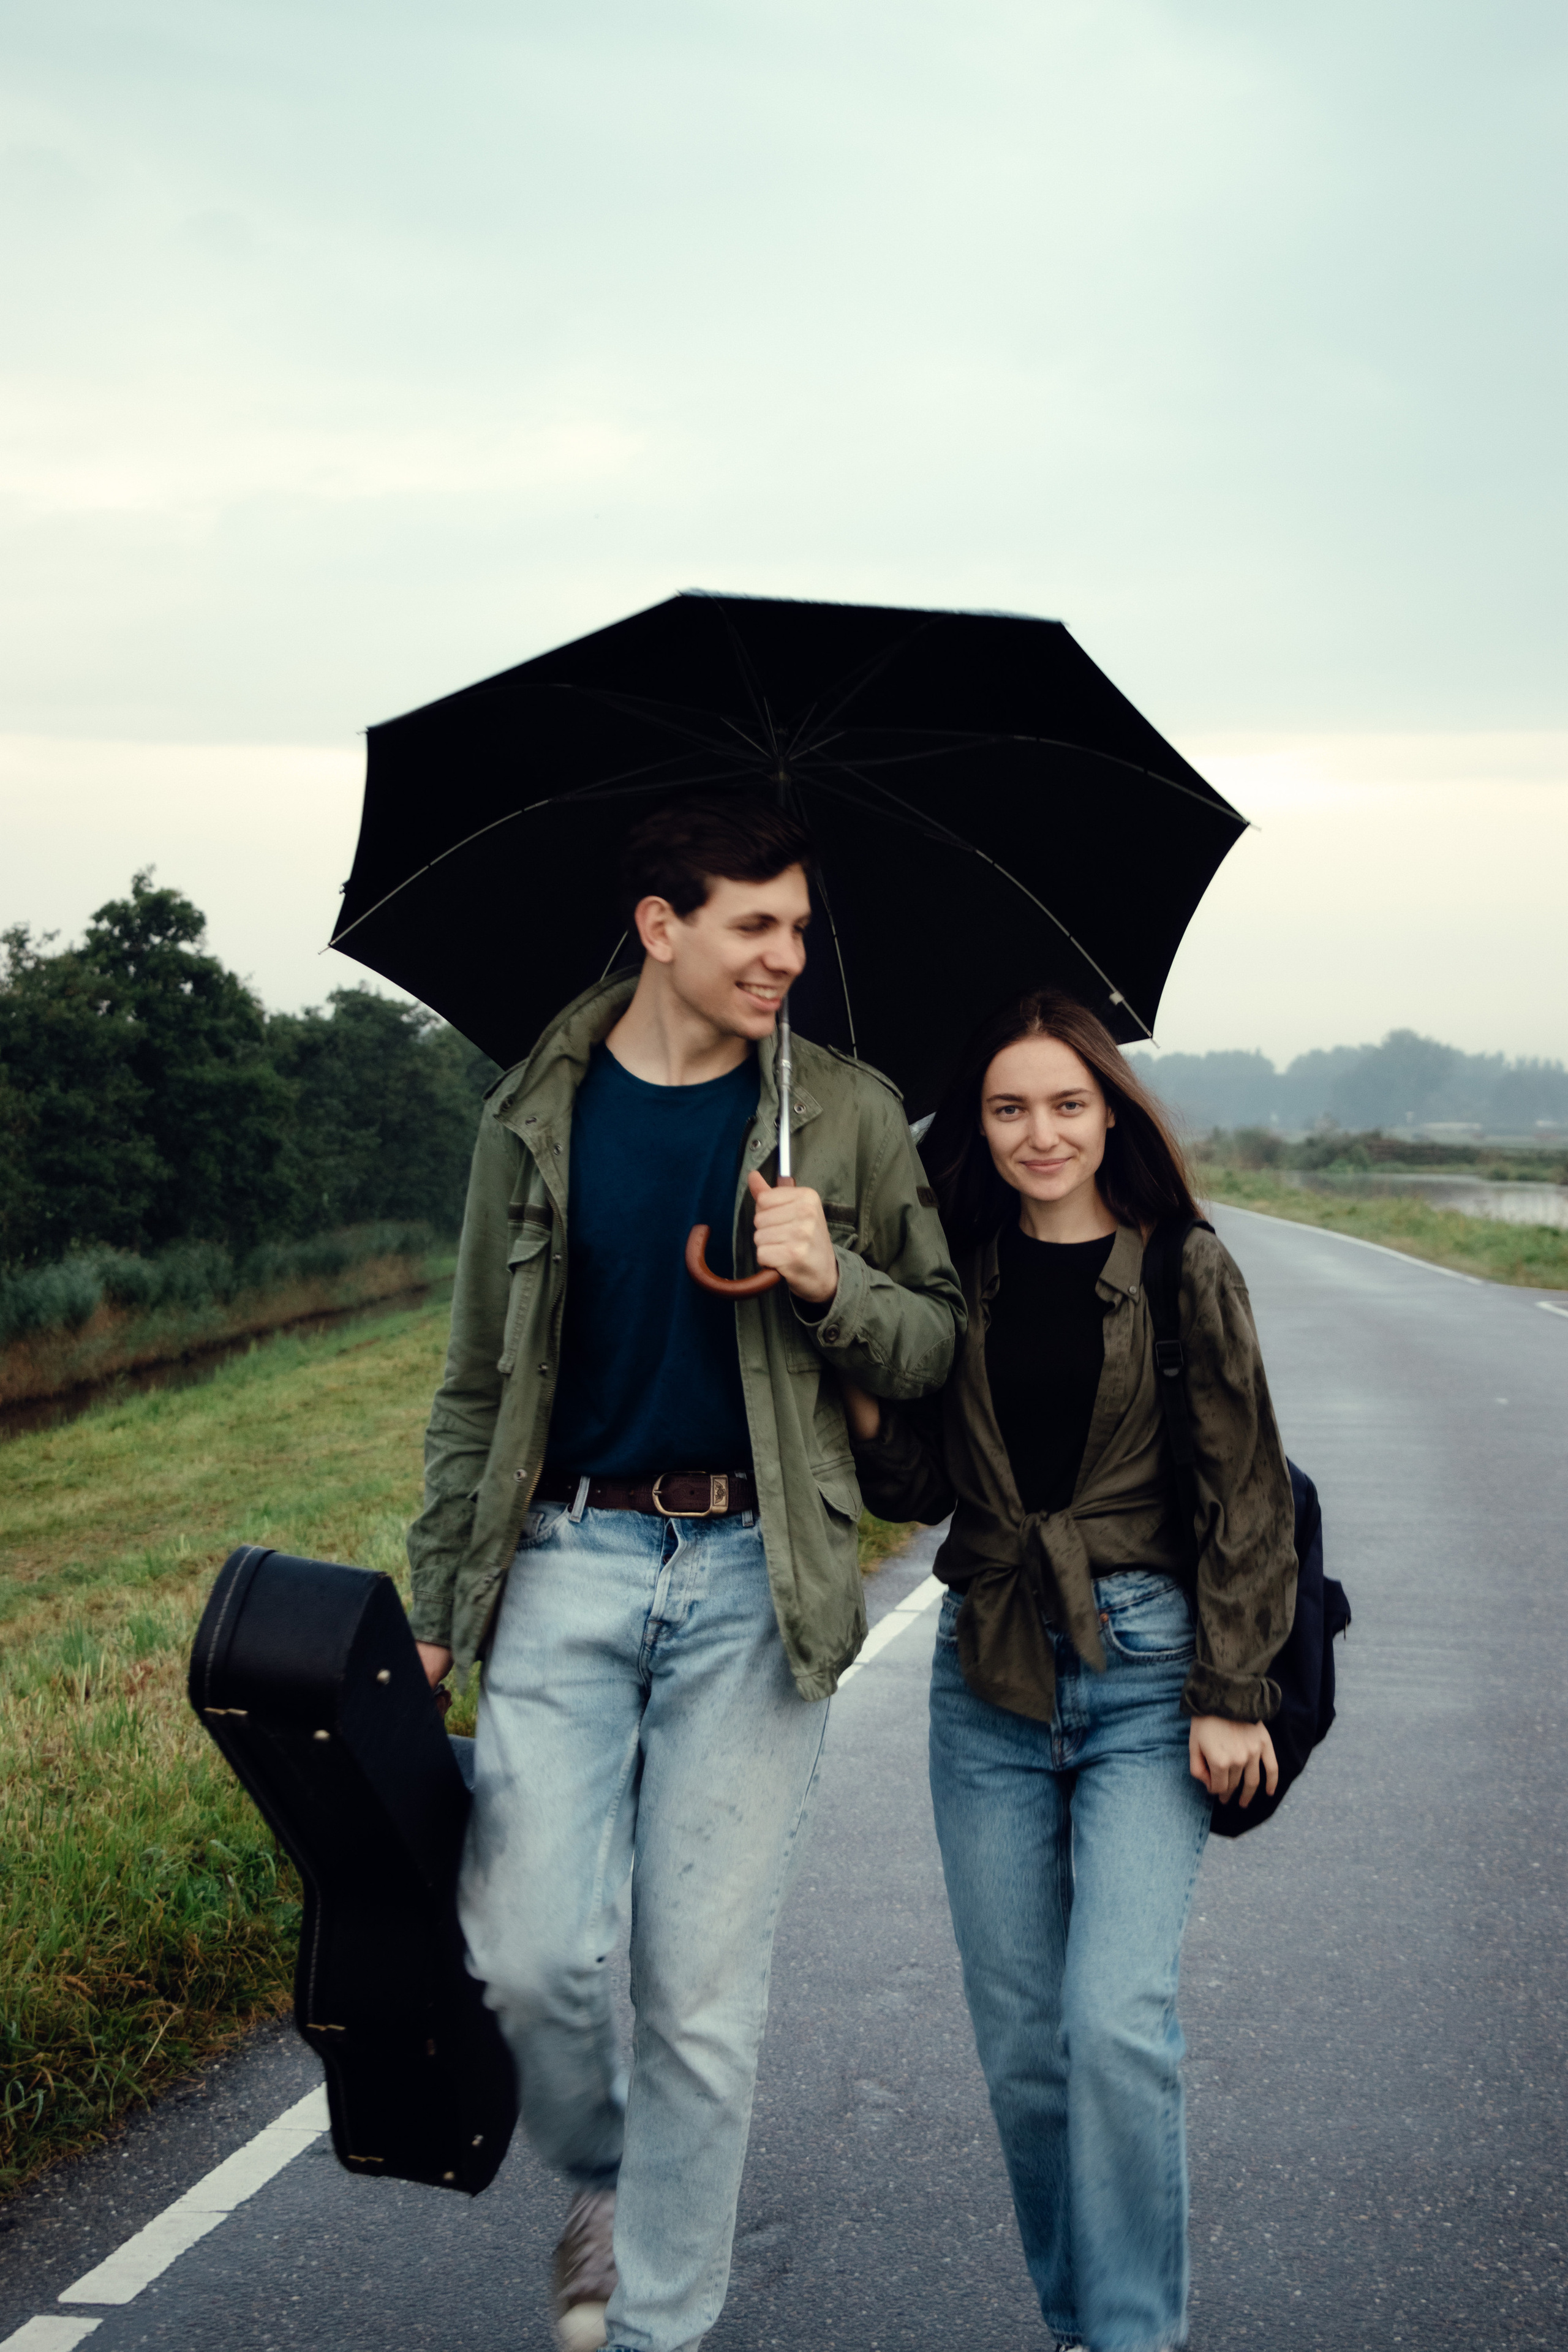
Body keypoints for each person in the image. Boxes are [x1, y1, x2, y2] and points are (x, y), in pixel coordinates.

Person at [407, 790, 963, 2352]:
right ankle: (608, 2167)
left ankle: (655, 2326)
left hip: (750, 1573)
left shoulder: (842, 1114)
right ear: (661, 926)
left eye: (800, 924)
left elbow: (935, 1343)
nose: (788, 953)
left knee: (701, 2005)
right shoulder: (535, 1112)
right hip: (566, 1560)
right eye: (754, 925)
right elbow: (469, 1384)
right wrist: (446, 1607)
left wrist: (830, 1277)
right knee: (527, 1953)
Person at [845, 986, 1296, 2352]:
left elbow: (1245, 1494)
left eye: (1063, 1104)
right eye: (1006, 1109)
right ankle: (1078, 2327)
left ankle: (1135, 2337)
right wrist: (852, 1354)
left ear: (1109, 1114)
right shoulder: (955, 1269)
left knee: (1114, 2028)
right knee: (1026, 2058)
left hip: (1148, 1671)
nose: (1038, 1133)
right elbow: (919, 1486)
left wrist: (1230, 1692)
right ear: (974, 1130)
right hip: (983, 1672)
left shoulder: (1180, 1268)